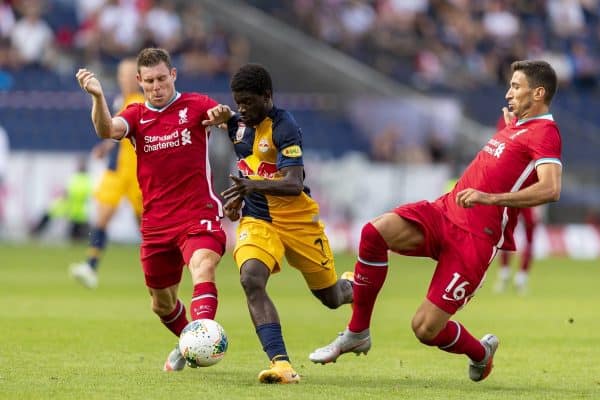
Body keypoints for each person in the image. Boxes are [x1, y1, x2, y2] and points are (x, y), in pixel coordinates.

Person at [308, 60, 562, 382]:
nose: (509, 92)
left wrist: (490, 199)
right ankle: (357, 331)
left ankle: (481, 353)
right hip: (444, 212)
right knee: (375, 232)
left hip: (476, 239)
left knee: (425, 329)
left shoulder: (546, 133)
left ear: (538, 93)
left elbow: (551, 188)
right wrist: (512, 126)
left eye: (516, 86)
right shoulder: (515, 125)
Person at [75, 47, 227, 372]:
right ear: (139, 82)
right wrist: (98, 97)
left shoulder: (196, 105)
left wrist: (225, 117)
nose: (157, 86)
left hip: (197, 213)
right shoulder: (135, 115)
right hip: (157, 222)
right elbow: (106, 130)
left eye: (162, 78)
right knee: (161, 304)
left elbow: (229, 122)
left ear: (173, 75)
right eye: (150, 81)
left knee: (203, 266)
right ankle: (188, 341)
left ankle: (203, 340)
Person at [202, 63, 353, 384]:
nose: (242, 109)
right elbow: (242, 146)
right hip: (258, 220)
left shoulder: (285, 126)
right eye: (238, 102)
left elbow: (294, 182)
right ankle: (281, 364)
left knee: (331, 299)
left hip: (298, 221)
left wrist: (249, 187)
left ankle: (354, 284)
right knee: (250, 279)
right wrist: (239, 199)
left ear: (267, 96)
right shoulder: (238, 123)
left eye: (248, 102)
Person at [70, 58, 145, 289]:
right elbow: (118, 130)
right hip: (116, 170)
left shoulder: (141, 102)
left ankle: (161, 266)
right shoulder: (120, 100)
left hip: (136, 172)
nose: (126, 78)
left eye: (130, 74)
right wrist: (107, 147)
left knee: (146, 226)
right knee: (102, 218)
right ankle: (90, 265)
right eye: (123, 74)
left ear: (138, 78)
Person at [30, 157, 93, 241]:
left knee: (49, 213)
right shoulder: (88, 180)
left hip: (69, 206)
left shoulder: (76, 178)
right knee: (77, 230)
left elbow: (66, 193)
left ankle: (36, 231)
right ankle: (84, 236)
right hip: (79, 211)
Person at [494, 207, 538, 294]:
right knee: (506, 236)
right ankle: (507, 275)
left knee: (528, 242)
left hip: (524, 200)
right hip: (516, 199)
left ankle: (519, 278)